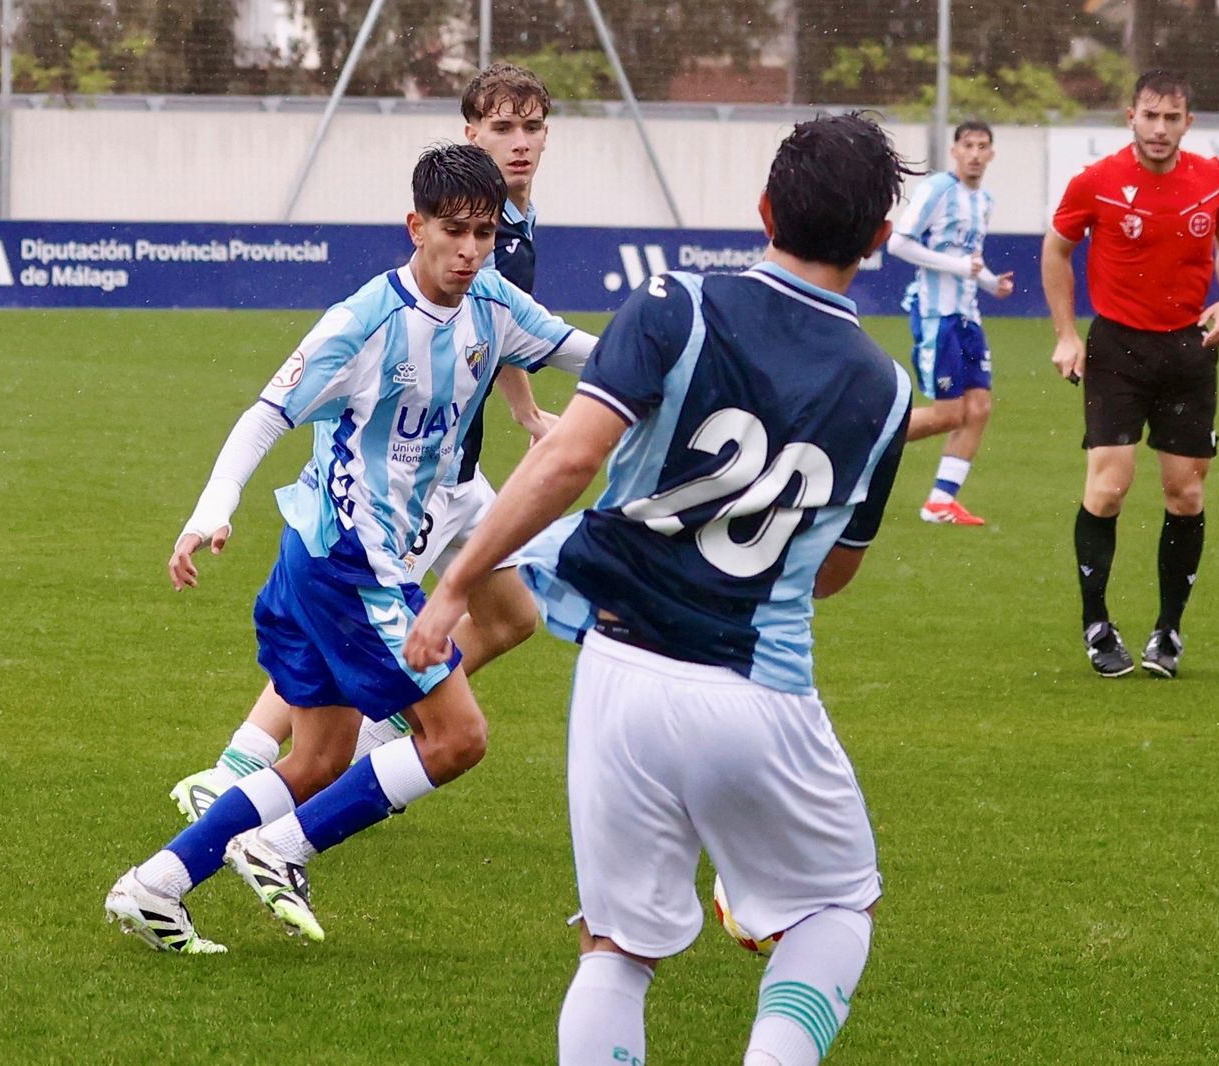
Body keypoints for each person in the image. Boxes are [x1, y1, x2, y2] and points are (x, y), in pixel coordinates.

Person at [405, 112, 914, 1066]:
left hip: (621, 673)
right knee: (837, 906)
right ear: (880, 240)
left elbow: (568, 461)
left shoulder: (675, 303)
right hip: (759, 688)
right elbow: (836, 570)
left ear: (764, 207)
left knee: (615, 948)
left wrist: (457, 586)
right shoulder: (884, 390)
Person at [104, 143, 595, 954]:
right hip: (348, 566)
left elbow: (584, 352)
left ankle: (154, 885)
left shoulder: (493, 304)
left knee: (322, 757)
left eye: (484, 233)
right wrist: (211, 511)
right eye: (455, 232)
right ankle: (280, 849)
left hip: (335, 560)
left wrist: (682, 353)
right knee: (457, 738)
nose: (471, 251)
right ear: (416, 226)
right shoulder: (364, 320)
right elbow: (267, 412)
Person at [165, 62, 559, 827]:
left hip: (458, 473)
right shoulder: (480, 239)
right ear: (470, 134)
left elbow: (511, 337)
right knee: (348, 622)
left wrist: (526, 407)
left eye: (532, 127)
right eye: (501, 128)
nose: (520, 144)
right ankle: (237, 772)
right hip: (401, 483)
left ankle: (378, 726)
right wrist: (213, 504)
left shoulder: (511, 227)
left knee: (511, 618)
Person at [1042, 70, 1219, 679]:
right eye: (1150, 116)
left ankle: (1168, 630)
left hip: (1189, 350)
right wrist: (1064, 333)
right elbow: (1056, 249)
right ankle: (1096, 623)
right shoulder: (1098, 182)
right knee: (1108, 488)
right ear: (1129, 115)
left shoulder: (1213, 180)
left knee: (1185, 494)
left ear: (1189, 122)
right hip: (1117, 349)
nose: (1160, 129)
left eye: (1172, 118)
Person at [887, 119, 1014, 525]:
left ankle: (941, 500)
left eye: (983, 146)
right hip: (935, 314)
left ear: (992, 154)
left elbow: (970, 260)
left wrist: (993, 284)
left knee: (978, 408)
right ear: (955, 151)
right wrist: (958, 265)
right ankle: (856, 442)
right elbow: (899, 243)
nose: (976, 153)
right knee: (947, 414)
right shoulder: (938, 190)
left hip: (967, 317)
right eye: (968, 145)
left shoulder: (985, 200)